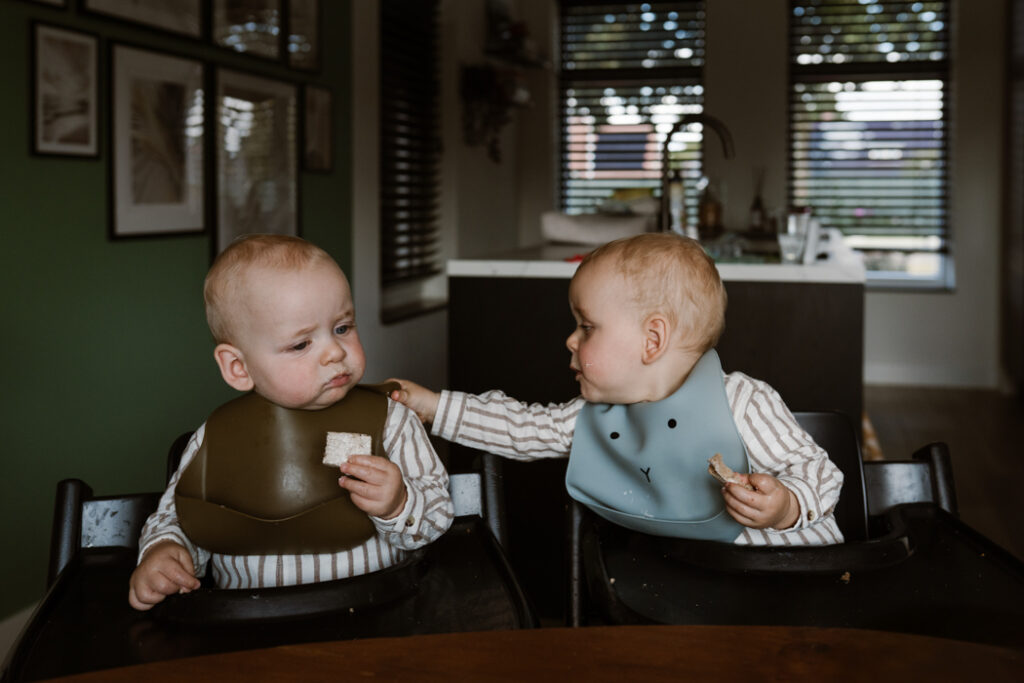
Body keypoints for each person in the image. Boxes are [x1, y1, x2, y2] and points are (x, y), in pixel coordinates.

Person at [391, 232, 843, 545]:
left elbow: (819, 472)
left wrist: (786, 506)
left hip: (793, 579)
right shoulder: (594, 415)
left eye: (586, 326)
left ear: (652, 340)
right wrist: (433, 406)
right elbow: (520, 427)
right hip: (688, 584)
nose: (570, 339)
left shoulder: (742, 402)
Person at [128, 235, 453, 611]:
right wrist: (166, 551)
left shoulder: (391, 421)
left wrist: (399, 503)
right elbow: (176, 516)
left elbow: (438, 516)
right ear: (238, 367)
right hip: (253, 625)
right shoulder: (218, 438)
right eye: (301, 345)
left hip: (375, 611)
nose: (335, 352)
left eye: (342, 327)